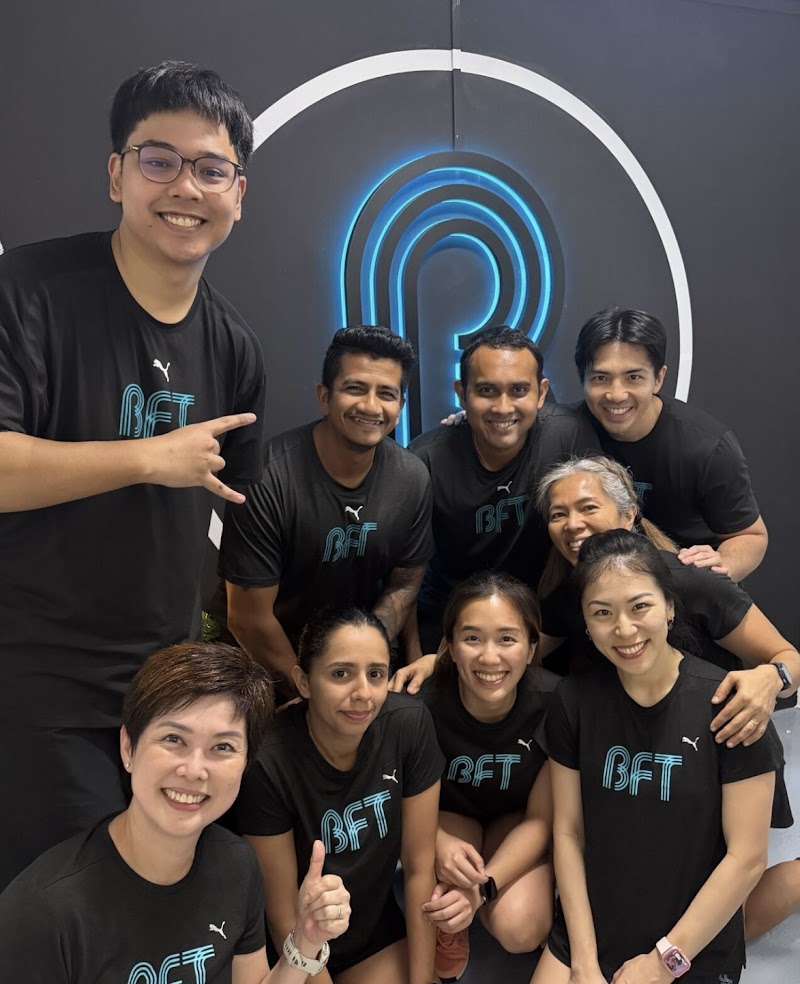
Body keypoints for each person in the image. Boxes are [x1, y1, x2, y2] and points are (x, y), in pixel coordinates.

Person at [0, 60, 266, 890]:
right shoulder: (29, 291)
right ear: (117, 174)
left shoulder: (234, 346)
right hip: (38, 677)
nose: (185, 186)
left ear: (238, 194)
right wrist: (151, 456)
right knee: (63, 905)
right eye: (160, 160)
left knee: (146, 910)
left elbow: (237, 526)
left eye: (211, 169)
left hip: (161, 688)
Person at [0, 641, 351, 982]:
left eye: (222, 747)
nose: (194, 770)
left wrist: (305, 942)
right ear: (128, 748)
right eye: (173, 739)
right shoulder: (43, 912)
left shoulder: (236, 865)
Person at [531, 530, 781, 984]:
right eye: (602, 613)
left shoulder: (730, 703)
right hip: (593, 928)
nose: (624, 629)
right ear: (585, 622)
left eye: (639, 606)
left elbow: (746, 857)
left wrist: (664, 962)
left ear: (669, 606)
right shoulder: (574, 700)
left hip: (689, 943)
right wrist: (583, 960)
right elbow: (568, 832)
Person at [534, 456, 798, 756]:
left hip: (714, 745)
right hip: (631, 752)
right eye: (558, 514)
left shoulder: (693, 582)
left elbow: (789, 659)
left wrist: (772, 679)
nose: (572, 524)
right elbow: (522, 653)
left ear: (629, 514)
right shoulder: (569, 594)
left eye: (589, 508)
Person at [236, 608, 444, 984]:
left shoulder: (408, 726)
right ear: (303, 682)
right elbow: (282, 915)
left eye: (375, 674)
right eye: (341, 674)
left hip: (371, 934)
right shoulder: (268, 762)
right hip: (296, 947)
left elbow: (418, 868)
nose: (362, 693)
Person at [220, 326, 433, 692]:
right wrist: (312, 691)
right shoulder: (267, 478)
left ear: (400, 408)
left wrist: (360, 669)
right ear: (324, 397)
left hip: (361, 668)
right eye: (355, 388)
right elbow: (248, 619)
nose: (370, 406)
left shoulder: (412, 478)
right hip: (272, 668)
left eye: (386, 394)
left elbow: (404, 586)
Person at [407, 324, 598, 661]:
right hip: (455, 631)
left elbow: (604, 536)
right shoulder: (425, 461)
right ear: (462, 393)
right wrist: (416, 658)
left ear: (541, 393)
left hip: (548, 623)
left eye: (519, 390)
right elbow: (406, 576)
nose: (502, 407)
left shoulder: (568, 435)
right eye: (486, 390)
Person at [419, 572, 556, 981]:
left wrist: (481, 890)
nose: (490, 657)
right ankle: (448, 916)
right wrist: (436, 842)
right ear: (449, 647)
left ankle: (468, 903)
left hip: (516, 821)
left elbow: (541, 820)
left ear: (531, 648)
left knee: (521, 929)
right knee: (443, 860)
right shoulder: (420, 707)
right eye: (473, 638)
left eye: (507, 639)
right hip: (445, 820)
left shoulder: (555, 704)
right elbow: (396, 800)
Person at [574, 307, 767, 581]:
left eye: (633, 377)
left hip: (682, 585)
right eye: (601, 378)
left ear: (659, 378)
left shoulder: (705, 447)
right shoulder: (565, 432)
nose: (616, 394)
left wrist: (720, 567)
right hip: (597, 584)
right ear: (582, 379)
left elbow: (751, 536)